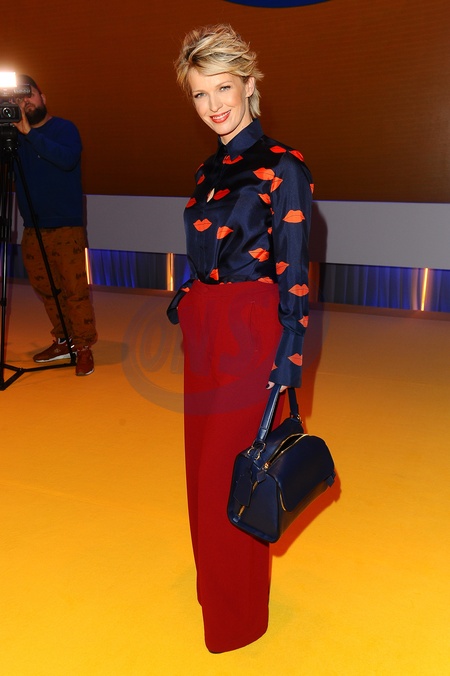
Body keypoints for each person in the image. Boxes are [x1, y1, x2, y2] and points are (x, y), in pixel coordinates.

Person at [167, 24, 313, 652]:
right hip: (205, 329)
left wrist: (289, 358)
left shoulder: (283, 166)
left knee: (235, 474)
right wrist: (188, 297)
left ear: (250, 85)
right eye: (200, 94)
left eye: (223, 88)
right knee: (200, 470)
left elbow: (295, 269)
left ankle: (239, 615)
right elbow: (207, 246)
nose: (213, 105)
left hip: (253, 331)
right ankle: (216, 587)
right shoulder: (207, 169)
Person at [13, 74, 97, 376]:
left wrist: (28, 132)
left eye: (30, 94)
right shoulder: (13, 137)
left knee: (74, 289)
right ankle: (64, 339)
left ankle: (83, 347)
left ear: (43, 97)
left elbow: (67, 159)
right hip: (32, 227)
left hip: (65, 226)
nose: (26, 102)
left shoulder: (64, 129)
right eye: (19, 98)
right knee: (46, 289)